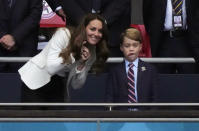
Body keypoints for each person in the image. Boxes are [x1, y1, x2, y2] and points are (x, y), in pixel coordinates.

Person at [18, 13, 109, 102]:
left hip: (59, 82)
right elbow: (51, 68)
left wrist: (82, 64)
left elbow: (76, 85)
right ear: (83, 28)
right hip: (36, 79)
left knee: (57, 116)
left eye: (100, 31)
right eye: (92, 29)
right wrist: (73, 54)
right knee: (34, 117)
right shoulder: (64, 34)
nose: (96, 34)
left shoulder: (92, 52)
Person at [48, 0, 130, 57]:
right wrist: (84, 21)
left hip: (112, 32)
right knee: (76, 77)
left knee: (110, 77)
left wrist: (101, 22)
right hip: (77, 28)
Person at [143, 0, 199, 74]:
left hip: (188, 41)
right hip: (163, 42)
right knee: (162, 79)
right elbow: (147, 14)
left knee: (189, 78)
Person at [106, 28, 157, 107]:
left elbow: (155, 99)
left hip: (145, 115)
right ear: (121, 47)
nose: (131, 49)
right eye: (127, 46)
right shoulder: (115, 71)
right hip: (121, 115)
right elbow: (110, 98)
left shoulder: (150, 70)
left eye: (135, 45)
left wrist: (149, 116)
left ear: (140, 47)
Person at [0, 0, 42, 72]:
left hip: (24, 50)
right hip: (1, 48)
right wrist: (2, 36)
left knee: (19, 81)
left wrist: (14, 38)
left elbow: (35, 15)